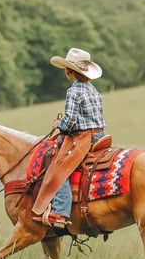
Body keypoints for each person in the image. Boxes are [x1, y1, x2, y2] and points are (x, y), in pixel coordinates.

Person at [39, 47, 106, 227]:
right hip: (100, 135)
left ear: (70, 71)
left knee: (59, 166)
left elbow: (69, 122)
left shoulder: (73, 91)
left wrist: (58, 125)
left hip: (84, 138)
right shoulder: (94, 90)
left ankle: (60, 212)